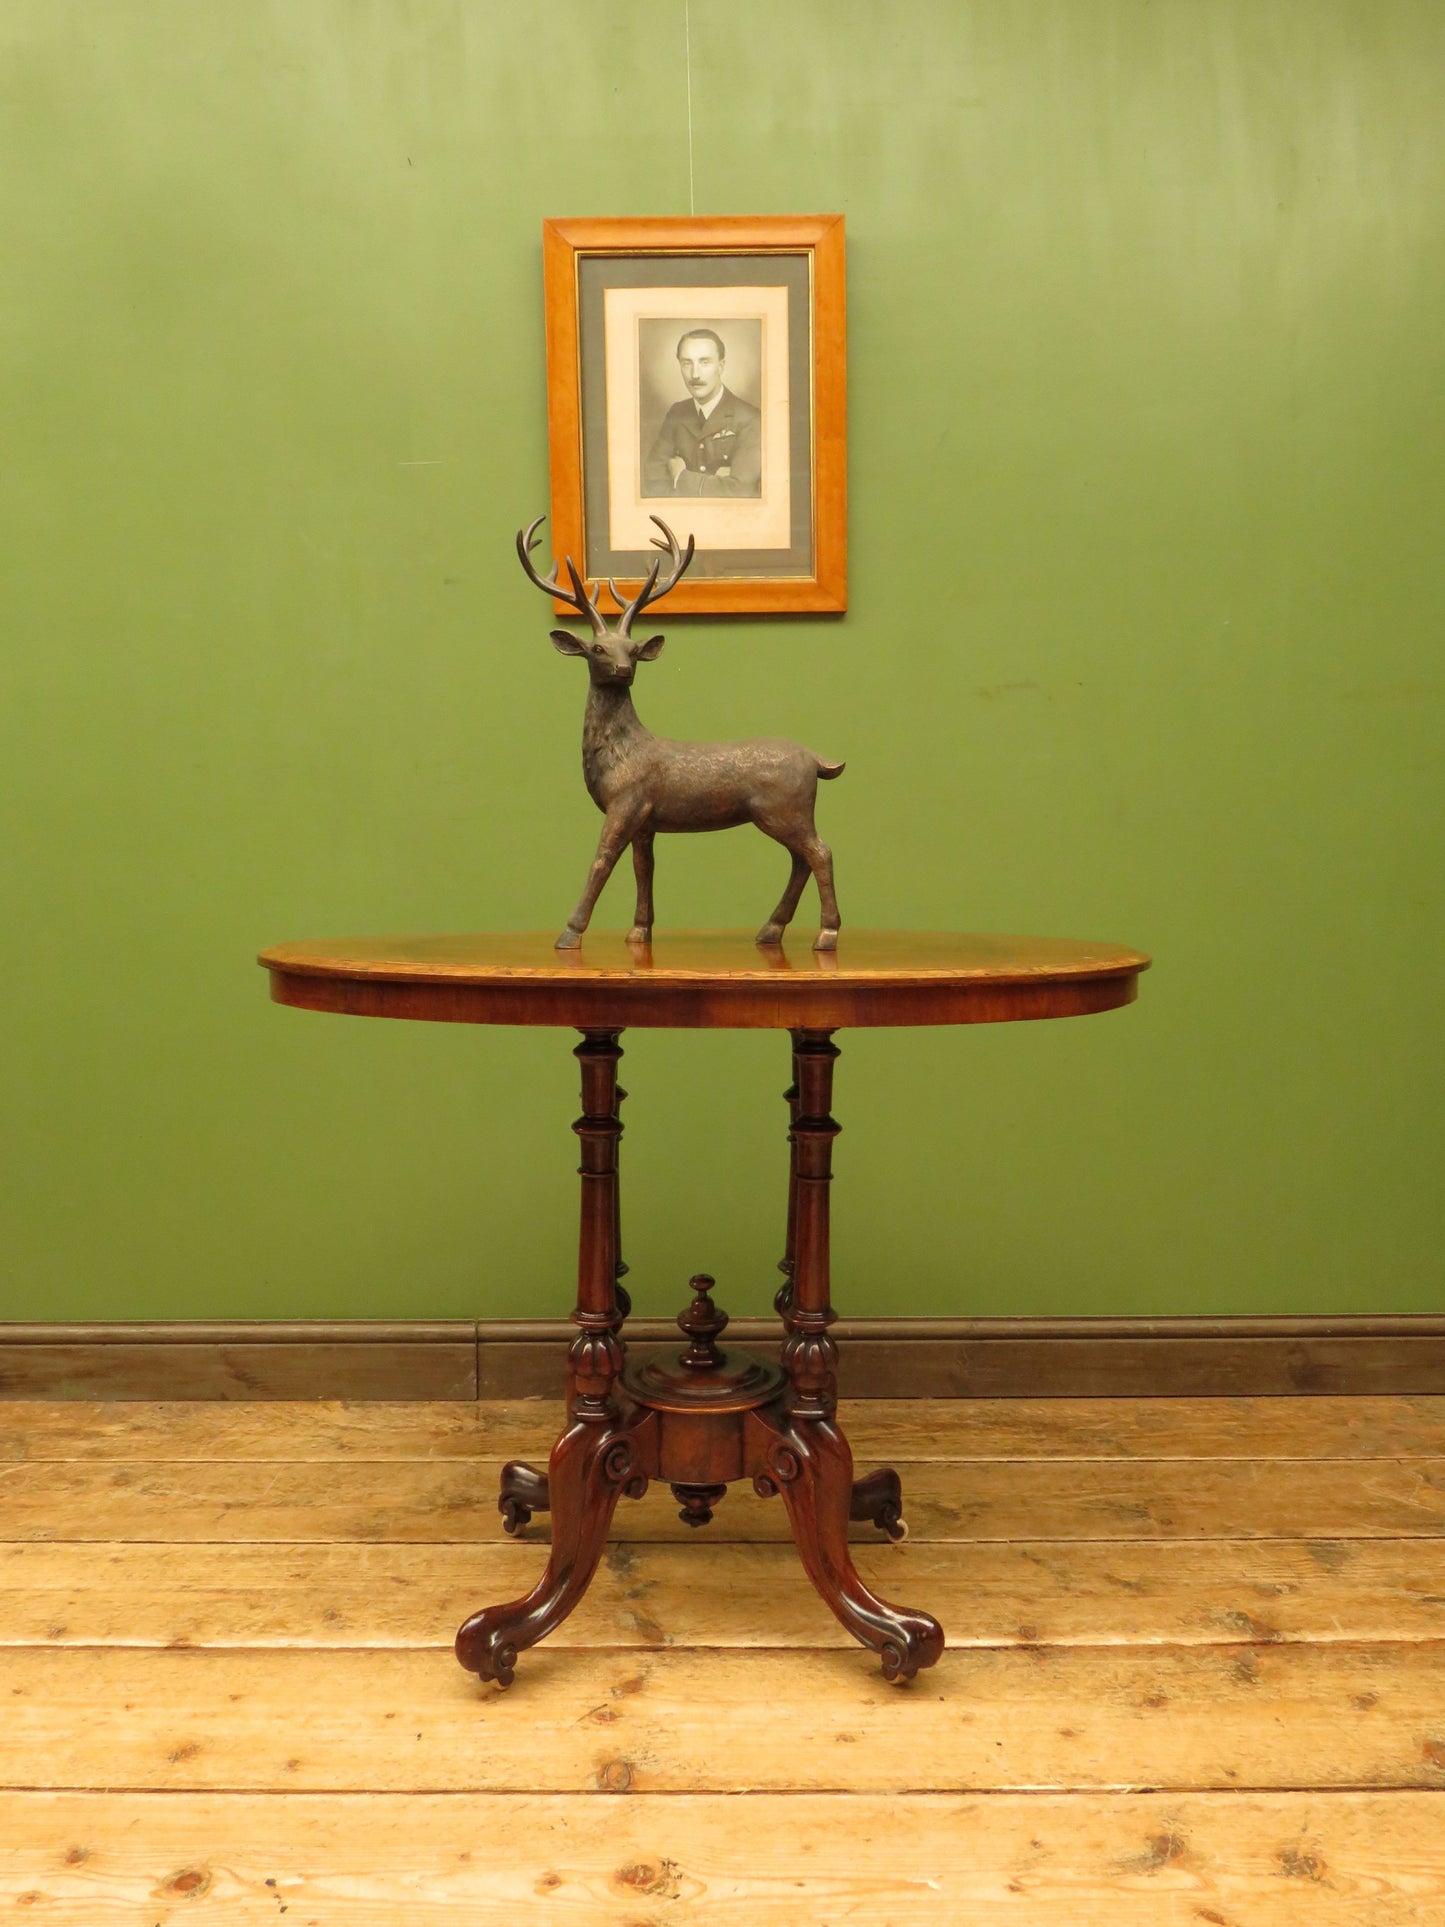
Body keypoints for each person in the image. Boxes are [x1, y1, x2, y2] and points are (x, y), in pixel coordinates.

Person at [641, 328, 762, 497]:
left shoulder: (750, 418)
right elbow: (653, 479)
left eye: (704, 362)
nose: (695, 374)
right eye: (687, 363)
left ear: (720, 366)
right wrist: (716, 483)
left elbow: (740, 490)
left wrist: (680, 478)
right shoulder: (677, 413)